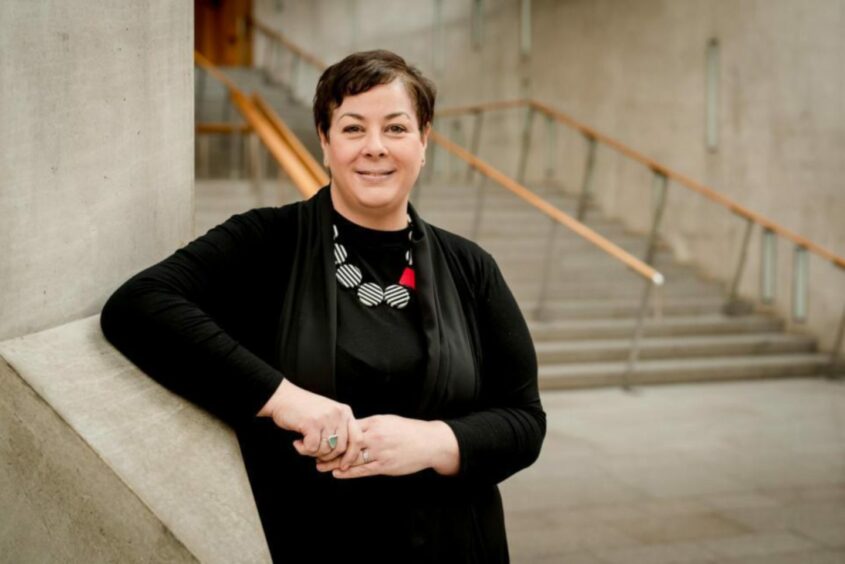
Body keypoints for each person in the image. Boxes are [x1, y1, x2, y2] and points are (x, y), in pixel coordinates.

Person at [101, 49, 545, 563]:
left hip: (456, 544)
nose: (374, 148)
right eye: (353, 129)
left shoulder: (471, 267)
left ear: (424, 142)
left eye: (396, 129)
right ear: (324, 141)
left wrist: (434, 442)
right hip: (311, 543)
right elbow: (138, 305)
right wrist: (288, 400)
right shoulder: (266, 241)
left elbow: (524, 420)